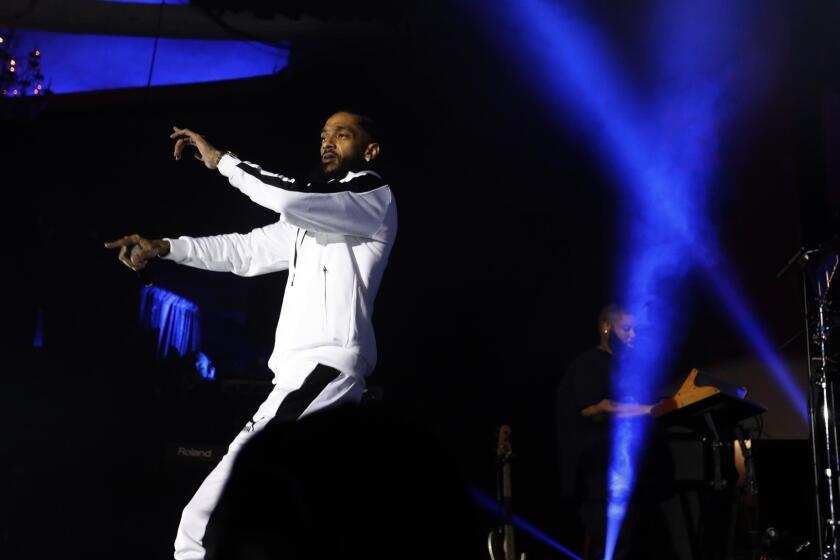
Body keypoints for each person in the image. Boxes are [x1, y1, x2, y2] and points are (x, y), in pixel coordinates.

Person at [105, 111, 397, 560]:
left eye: (342, 134)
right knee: (287, 521)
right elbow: (243, 250)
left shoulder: (369, 195)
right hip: (303, 377)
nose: (327, 142)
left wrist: (222, 161)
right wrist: (167, 247)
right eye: (322, 134)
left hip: (322, 371)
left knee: (202, 525)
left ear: (370, 149)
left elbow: (289, 197)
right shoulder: (311, 219)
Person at [556, 304, 667, 559]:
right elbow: (598, 407)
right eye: (626, 328)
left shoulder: (621, 369)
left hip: (623, 482)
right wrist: (650, 409)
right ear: (607, 328)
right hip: (597, 484)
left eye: (637, 330)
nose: (633, 335)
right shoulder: (590, 363)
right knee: (610, 550)